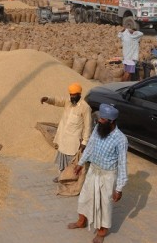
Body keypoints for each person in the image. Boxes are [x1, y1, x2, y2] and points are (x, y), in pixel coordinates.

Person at [67, 104, 128, 243]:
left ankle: (101, 232)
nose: (99, 121)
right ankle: (81, 221)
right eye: (100, 118)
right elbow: (90, 147)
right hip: (93, 171)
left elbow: (122, 164)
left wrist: (119, 188)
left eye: (103, 119)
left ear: (111, 122)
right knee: (84, 198)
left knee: (104, 205)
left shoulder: (120, 139)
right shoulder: (98, 129)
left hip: (107, 176)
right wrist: (80, 163)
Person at [40, 83, 92, 183]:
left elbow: (88, 127)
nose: (72, 97)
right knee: (61, 162)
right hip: (63, 139)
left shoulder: (85, 108)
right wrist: (47, 99)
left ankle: (71, 180)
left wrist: (85, 142)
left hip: (73, 142)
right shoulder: (68, 102)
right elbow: (57, 100)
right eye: (71, 95)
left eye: (74, 95)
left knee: (71, 163)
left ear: (79, 94)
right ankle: (61, 177)